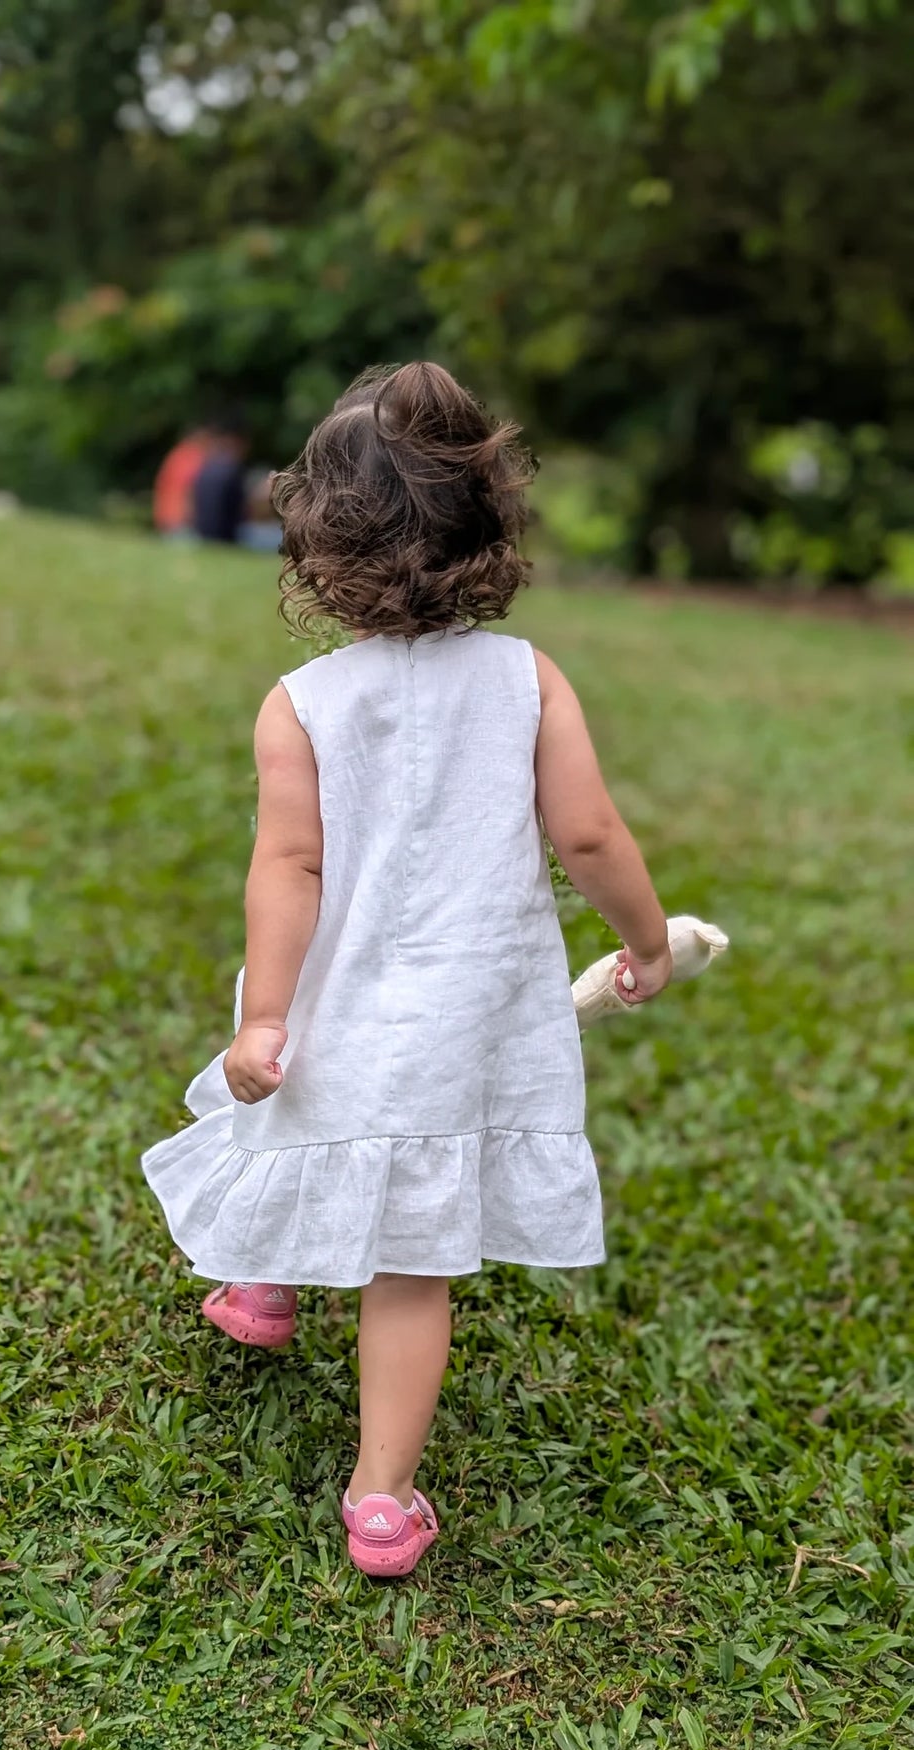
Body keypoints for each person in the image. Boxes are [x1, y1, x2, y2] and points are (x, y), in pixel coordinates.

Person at [141, 362, 673, 1578]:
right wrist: (644, 943)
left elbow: (287, 867)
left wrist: (265, 1012)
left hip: (331, 992)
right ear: (491, 526)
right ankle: (380, 1499)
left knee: (288, 1104)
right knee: (411, 1264)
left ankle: (261, 1283)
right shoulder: (525, 679)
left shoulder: (301, 703)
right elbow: (588, 835)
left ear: (314, 545)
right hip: (460, 1016)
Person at [190, 418, 249, 544]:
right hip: (224, 536)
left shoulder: (205, 468)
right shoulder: (232, 470)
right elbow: (241, 512)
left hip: (201, 533)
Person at [152, 426, 211, 539]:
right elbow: (188, 490)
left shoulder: (176, 455)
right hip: (179, 522)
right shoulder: (192, 457)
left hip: (167, 521)